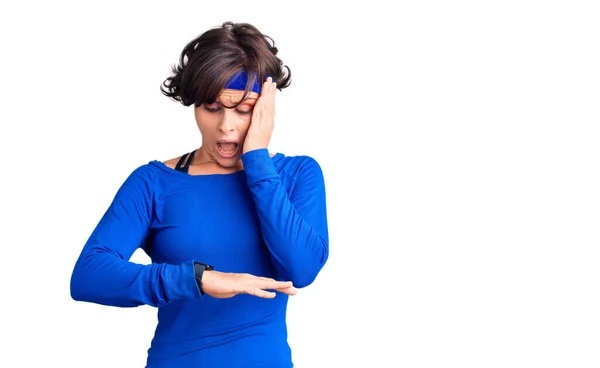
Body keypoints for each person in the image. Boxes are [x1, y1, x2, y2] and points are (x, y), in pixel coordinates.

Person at [69, 21, 329, 367]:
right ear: (194, 105)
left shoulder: (297, 175)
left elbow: (303, 269)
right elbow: (89, 276)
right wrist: (196, 279)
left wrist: (257, 161)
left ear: (266, 108)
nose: (226, 127)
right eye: (212, 107)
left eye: (244, 109)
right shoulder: (153, 183)